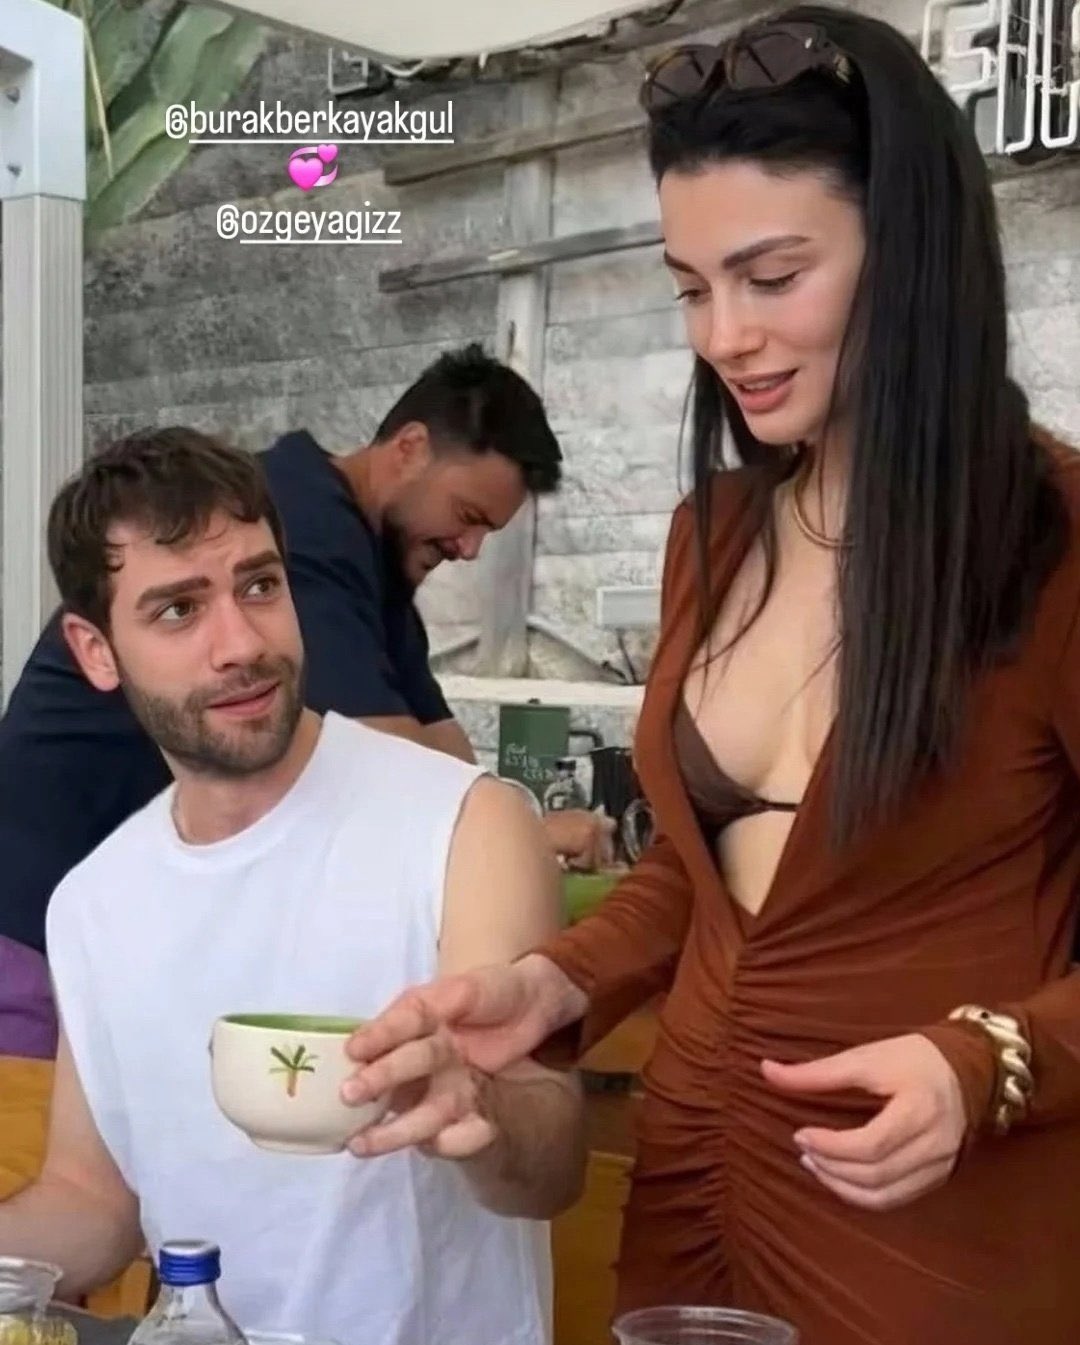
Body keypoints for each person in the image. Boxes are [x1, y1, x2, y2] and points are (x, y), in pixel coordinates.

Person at [339, 8, 1080, 1344]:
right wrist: (557, 983)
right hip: (693, 1180)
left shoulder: (1060, 541)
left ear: (911, 252)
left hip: (936, 1225)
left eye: (772, 275)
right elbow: (703, 874)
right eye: (691, 288)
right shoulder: (716, 533)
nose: (724, 335)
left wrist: (987, 1060)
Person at [0, 429, 586, 1345]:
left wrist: (480, 1105)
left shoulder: (466, 824)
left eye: (259, 586)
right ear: (96, 650)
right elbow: (92, 1202)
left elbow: (552, 1167)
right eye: (178, 609)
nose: (241, 643)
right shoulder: (93, 902)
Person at [0, 343, 610, 1055]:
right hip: (32, 918)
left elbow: (448, 771)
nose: (471, 548)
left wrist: (500, 826)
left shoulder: (380, 568)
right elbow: (394, 765)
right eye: (467, 514)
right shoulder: (302, 523)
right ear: (410, 448)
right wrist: (523, 835)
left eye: (262, 587)